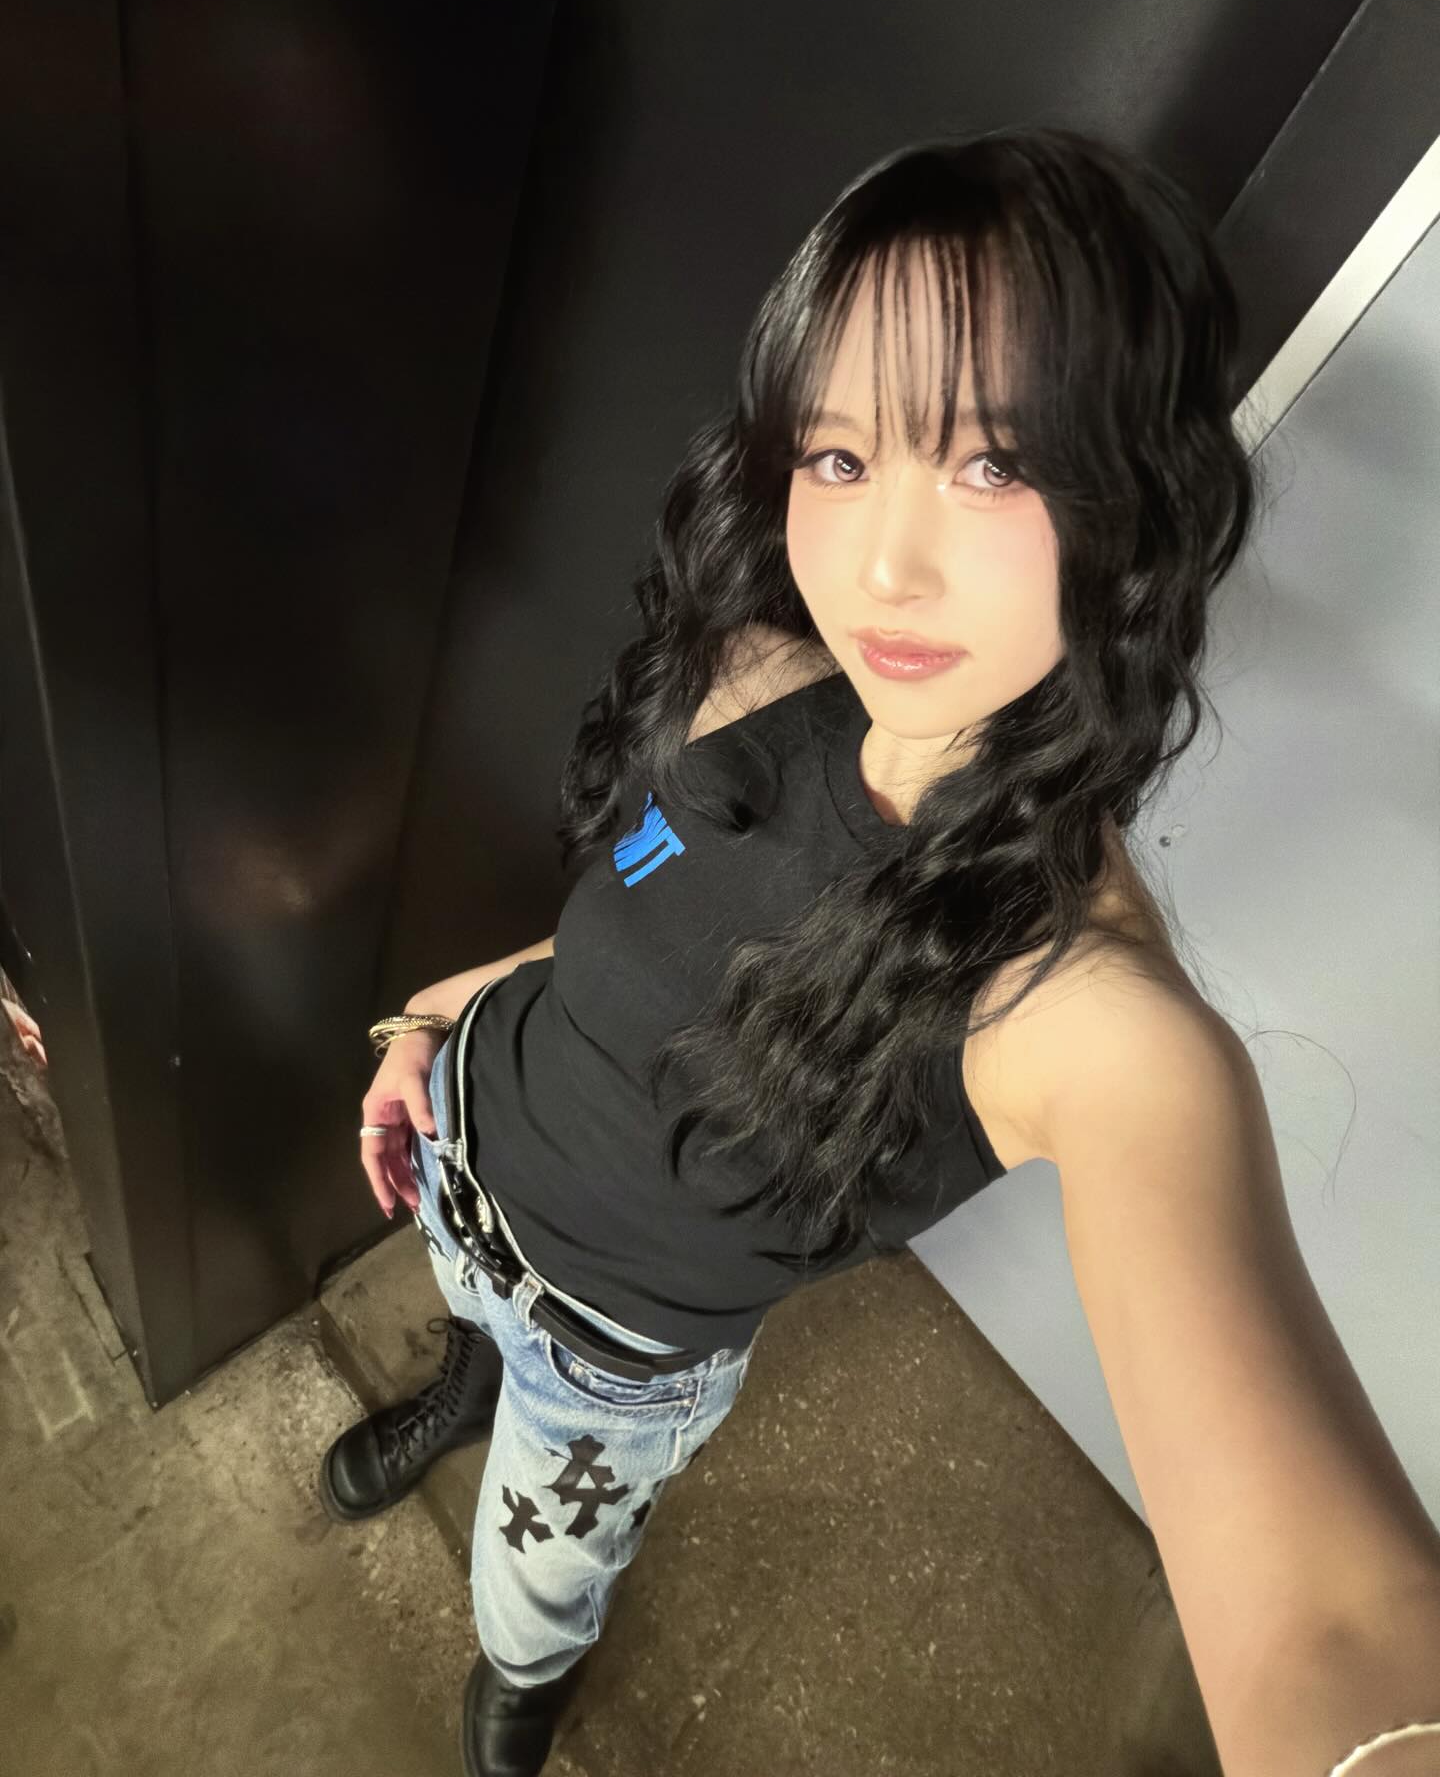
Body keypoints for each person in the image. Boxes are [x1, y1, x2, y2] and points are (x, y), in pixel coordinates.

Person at [320, 127, 1440, 1777]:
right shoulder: (764, 668)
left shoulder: (1074, 1008)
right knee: (469, 1321)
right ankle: (459, 1383)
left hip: (607, 1374)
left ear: (1134, 510)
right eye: (840, 456)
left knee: (527, 1585)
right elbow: (626, 929)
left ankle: (520, 1686)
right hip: (458, 1149)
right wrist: (431, 1020)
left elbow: (1333, 1636)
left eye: (993, 465)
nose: (884, 565)